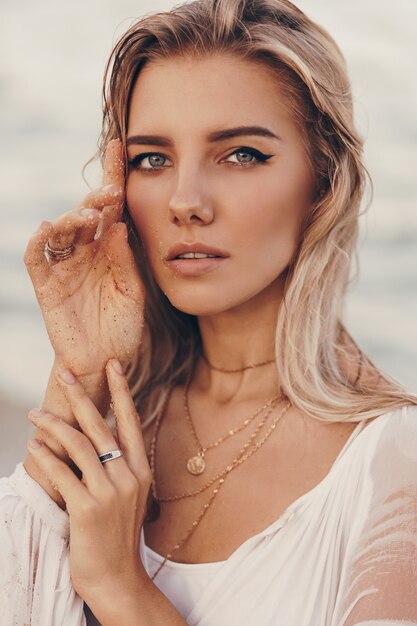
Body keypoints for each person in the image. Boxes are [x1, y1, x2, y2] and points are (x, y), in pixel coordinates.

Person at [1, 0, 416, 624]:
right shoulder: (115, 417)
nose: (185, 201)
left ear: (324, 182)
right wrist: (82, 373)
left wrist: (122, 589)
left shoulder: (394, 467)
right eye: (152, 159)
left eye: (241, 154)